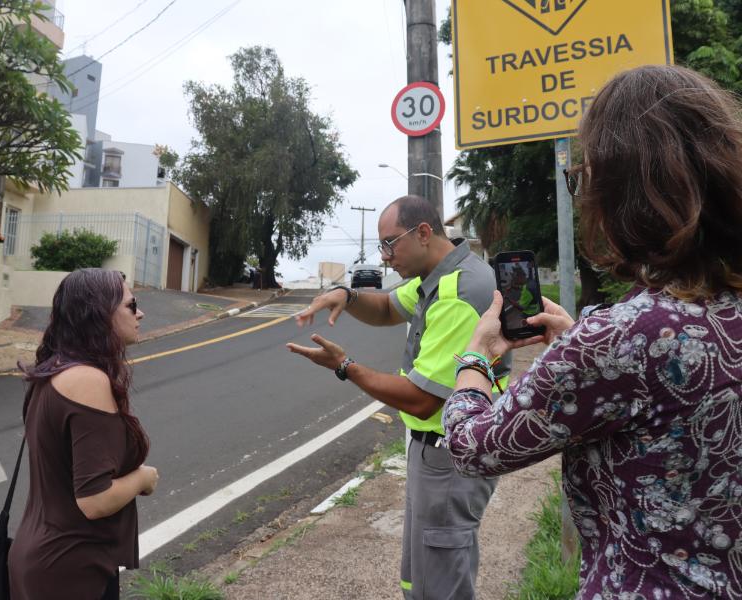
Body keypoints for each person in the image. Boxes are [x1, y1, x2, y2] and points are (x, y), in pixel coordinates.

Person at [442, 64, 742, 599]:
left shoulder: (620, 340)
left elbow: (473, 449)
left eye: (582, 177)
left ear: (617, 190)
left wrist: (478, 356)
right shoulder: (640, 334)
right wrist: (586, 348)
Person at [287, 195, 510, 599]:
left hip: (449, 456)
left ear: (423, 233)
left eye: (391, 243)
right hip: (436, 451)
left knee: (441, 583)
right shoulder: (438, 278)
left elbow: (423, 399)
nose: (386, 257)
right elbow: (389, 307)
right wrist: (348, 295)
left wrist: (345, 366)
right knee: (424, 575)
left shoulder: (459, 292)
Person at [8, 268, 159, 600]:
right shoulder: (87, 380)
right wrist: (143, 478)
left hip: (46, 557)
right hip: (69, 570)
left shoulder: (54, 370)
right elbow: (94, 499)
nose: (141, 313)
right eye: (132, 305)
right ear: (100, 314)